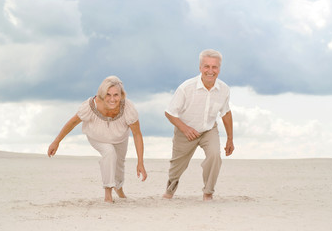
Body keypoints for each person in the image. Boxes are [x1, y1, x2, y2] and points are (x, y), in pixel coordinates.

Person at [47, 75, 147, 203]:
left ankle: (119, 188)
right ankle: (108, 195)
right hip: (97, 136)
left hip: (120, 138)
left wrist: (140, 162)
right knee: (109, 153)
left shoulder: (128, 108)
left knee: (119, 165)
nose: (112, 99)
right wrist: (56, 141)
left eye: (116, 95)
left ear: (121, 95)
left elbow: (137, 134)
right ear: (101, 95)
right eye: (108, 95)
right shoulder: (91, 105)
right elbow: (73, 122)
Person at [163, 49, 234, 201]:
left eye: (214, 67)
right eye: (206, 66)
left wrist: (230, 139)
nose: (210, 71)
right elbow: (169, 112)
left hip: (209, 130)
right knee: (177, 167)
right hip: (185, 130)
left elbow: (226, 113)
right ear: (200, 68)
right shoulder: (186, 88)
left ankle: (208, 193)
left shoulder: (224, 89)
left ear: (219, 69)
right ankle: (169, 191)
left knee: (215, 155)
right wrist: (185, 128)